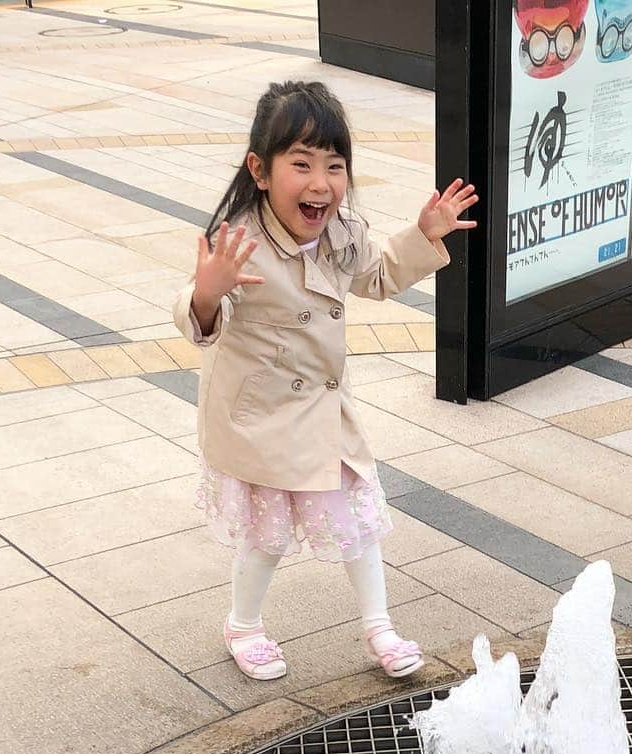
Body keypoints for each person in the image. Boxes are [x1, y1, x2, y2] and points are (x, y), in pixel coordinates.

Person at [172, 80, 477, 682]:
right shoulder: (241, 244)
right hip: (260, 421)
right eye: (302, 164)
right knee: (268, 534)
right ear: (260, 169)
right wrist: (207, 290)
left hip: (324, 416)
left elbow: (380, 275)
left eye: (334, 166)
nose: (321, 184)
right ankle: (243, 624)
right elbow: (205, 322)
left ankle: (379, 627)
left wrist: (426, 236)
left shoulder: (341, 231)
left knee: (358, 520)